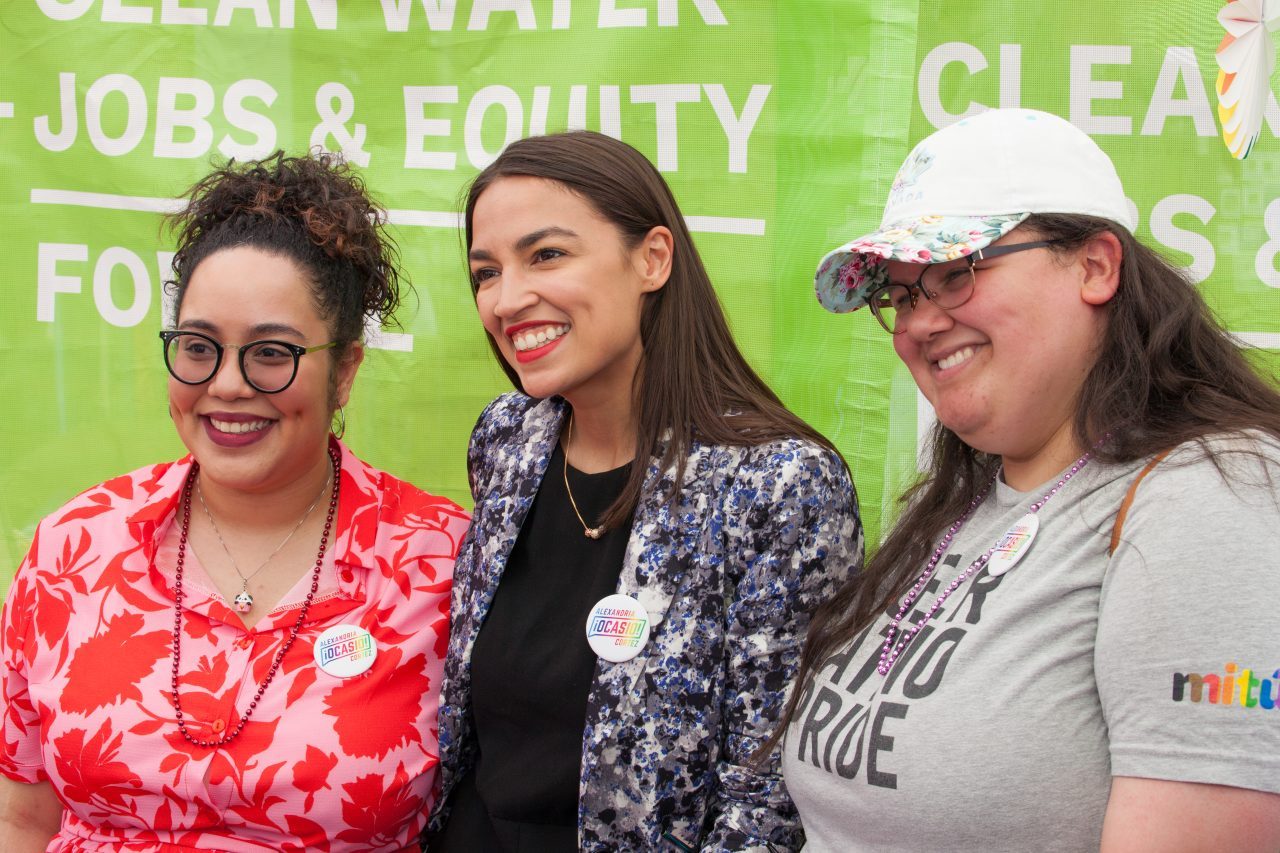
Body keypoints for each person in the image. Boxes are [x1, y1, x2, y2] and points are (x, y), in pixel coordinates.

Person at [778, 108, 1280, 851]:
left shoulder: (1216, 495)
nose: (918, 323)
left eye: (957, 274)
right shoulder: (966, 499)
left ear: (1097, 266)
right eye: (903, 294)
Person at [0, 152, 469, 850]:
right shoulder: (78, 545)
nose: (226, 385)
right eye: (198, 347)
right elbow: (20, 816)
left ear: (344, 371)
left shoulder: (442, 562)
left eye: (271, 353)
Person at [425, 130, 863, 852]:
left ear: (652, 258)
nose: (506, 299)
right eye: (485, 272)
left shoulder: (779, 486)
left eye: (547, 255)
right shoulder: (507, 440)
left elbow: (768, 799)